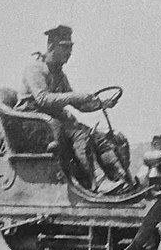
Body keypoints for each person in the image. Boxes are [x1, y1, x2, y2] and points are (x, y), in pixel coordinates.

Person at [15, 25, 132, 191]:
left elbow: (79, 105)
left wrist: (102, 104)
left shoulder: (59, 75)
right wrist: (76, 96)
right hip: (32, 124)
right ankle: (96, 183)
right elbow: (43, 99)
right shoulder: (35, 69)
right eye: (64, 47)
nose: (69, 52)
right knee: (80, 135)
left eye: (70, 48)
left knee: (97, 137)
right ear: (51, 47)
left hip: (51, 124)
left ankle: (121, 179)